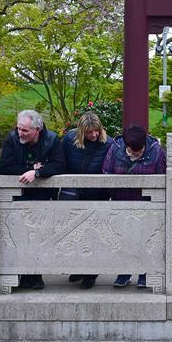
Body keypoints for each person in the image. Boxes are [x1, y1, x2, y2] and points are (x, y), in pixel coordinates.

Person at [0, 109, 66, 290]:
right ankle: (24, 275)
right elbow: (4, 167)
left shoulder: (51, 140)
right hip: (18, 196)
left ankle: (35, 275)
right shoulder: (12, 139)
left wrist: (37, 173)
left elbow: (59, 165)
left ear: (37, 129)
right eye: (19, 128)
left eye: (25, 130)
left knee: (39, 236)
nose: (20, 133)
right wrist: (29, 168)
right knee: (21, 236)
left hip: (43, 196)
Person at [102, 125, 166, 288]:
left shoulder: (155, 150)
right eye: (132, 149)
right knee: (124, 239)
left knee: (146, 239)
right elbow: (106, 172)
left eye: (139, 149)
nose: (136, 152)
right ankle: (124, 272)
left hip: (147, 204)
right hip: (122, 202)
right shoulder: (116, 148)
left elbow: (162, 175)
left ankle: (145, 273)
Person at [61, 112, 114, 289]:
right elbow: (61, 163)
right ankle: (78, 267)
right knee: (74, 234)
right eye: (89, 132)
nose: (93, 135)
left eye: (96, 131)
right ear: (81, 132)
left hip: (97, 194)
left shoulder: (108, 143)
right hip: (73, 193)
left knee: (93, 236)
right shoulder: (69, 140)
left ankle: (90, 274)